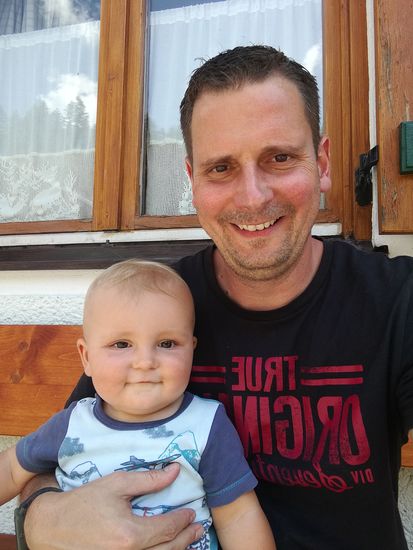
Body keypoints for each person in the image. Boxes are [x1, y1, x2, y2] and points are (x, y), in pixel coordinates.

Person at [20, 45, 413, 550]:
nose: (252, 197)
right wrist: (41, 518)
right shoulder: (160, 308)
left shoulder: (396, 301)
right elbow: (60, 452)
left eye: (279, 158)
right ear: (192, 180)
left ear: (322, 163)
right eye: (221, 168)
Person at [2, 259, 275, 550]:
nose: (145, 362)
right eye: (122, 344)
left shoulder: (206, 425)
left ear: (191, 351)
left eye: (167, 344)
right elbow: (11, 469)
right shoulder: (72, 425)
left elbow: (238, 517)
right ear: (87, 357)